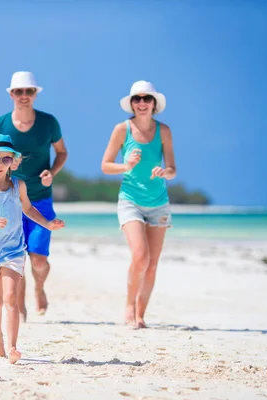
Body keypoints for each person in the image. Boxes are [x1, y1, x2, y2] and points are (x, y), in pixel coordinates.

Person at [0, 133, 65, 364]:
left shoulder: (18, 185)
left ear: (13, 161)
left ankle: (12, 346)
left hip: (14, 250)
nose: (0, 164)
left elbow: (28, 209)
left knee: (11, 297)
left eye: (5, 159)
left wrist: (48, 224)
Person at [0, 71, 68, 320]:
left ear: (35, 94)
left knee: (39, 260)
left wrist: (52, 172)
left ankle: (40, 287)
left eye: (29, 91)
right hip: (10, 200)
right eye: (19, 91)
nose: (24, 96)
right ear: (12, 94)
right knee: (17, 258)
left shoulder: (48, 123)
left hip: (41, 199)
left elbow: (62, 152)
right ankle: (20, 307)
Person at [100, 80, 177, 329]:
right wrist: (126, 166)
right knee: (140, 256)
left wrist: (165, 172)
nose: (141, 103)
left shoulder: (164, 131)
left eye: (146, 99)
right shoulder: (121, 130)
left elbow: (173, 169)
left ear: (154, 103)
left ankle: (141, 314)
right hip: (130, 200)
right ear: (131, 104)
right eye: (137, 99)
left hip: (159, 203)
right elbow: (105, 165)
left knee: (152, 263)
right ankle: (129, 305)